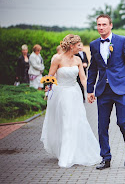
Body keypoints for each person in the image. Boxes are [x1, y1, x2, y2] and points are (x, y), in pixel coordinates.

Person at [87, 14, 125, 170]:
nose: (101, 27)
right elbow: (93, 68)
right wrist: (90, 89)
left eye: (104, 24)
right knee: (102, 125)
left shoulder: (122, 40)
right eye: (99, 25)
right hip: (103, 91)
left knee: (122, 121)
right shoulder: (93, 45)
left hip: (121, 88)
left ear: (110, 25)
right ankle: (106, 158)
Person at [40, 34, 102, 168]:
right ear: (71, 46)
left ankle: (78, 151)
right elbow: (51, 76)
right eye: (78, 45)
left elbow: (83, 79)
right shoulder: (57, 59)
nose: (80, 47)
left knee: (79, 121)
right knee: (66, 122)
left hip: (74, 93)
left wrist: (90, 92)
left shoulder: (78, 60)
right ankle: (66, 154)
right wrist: (47, 89)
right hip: (61, 93)